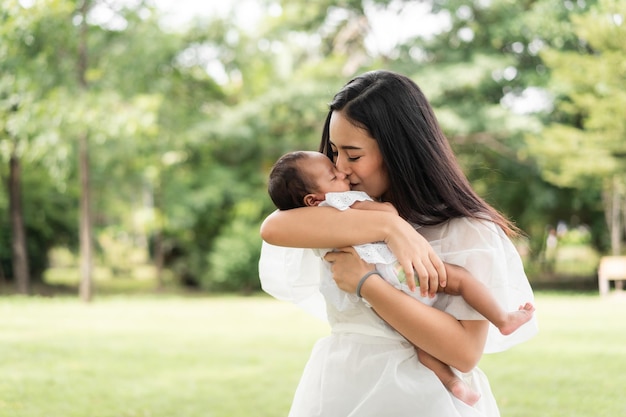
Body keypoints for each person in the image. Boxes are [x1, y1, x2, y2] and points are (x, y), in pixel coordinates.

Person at [259, 70, 538, 417]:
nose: (341, 168)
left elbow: (465, 352)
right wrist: (392, 226)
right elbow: (272, 228)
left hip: (421, 399)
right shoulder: (335, 218)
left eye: (353, 154)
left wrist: (368, 284)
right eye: (334, 153)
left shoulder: (467, 231)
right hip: (341, 386)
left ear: (398, 151)